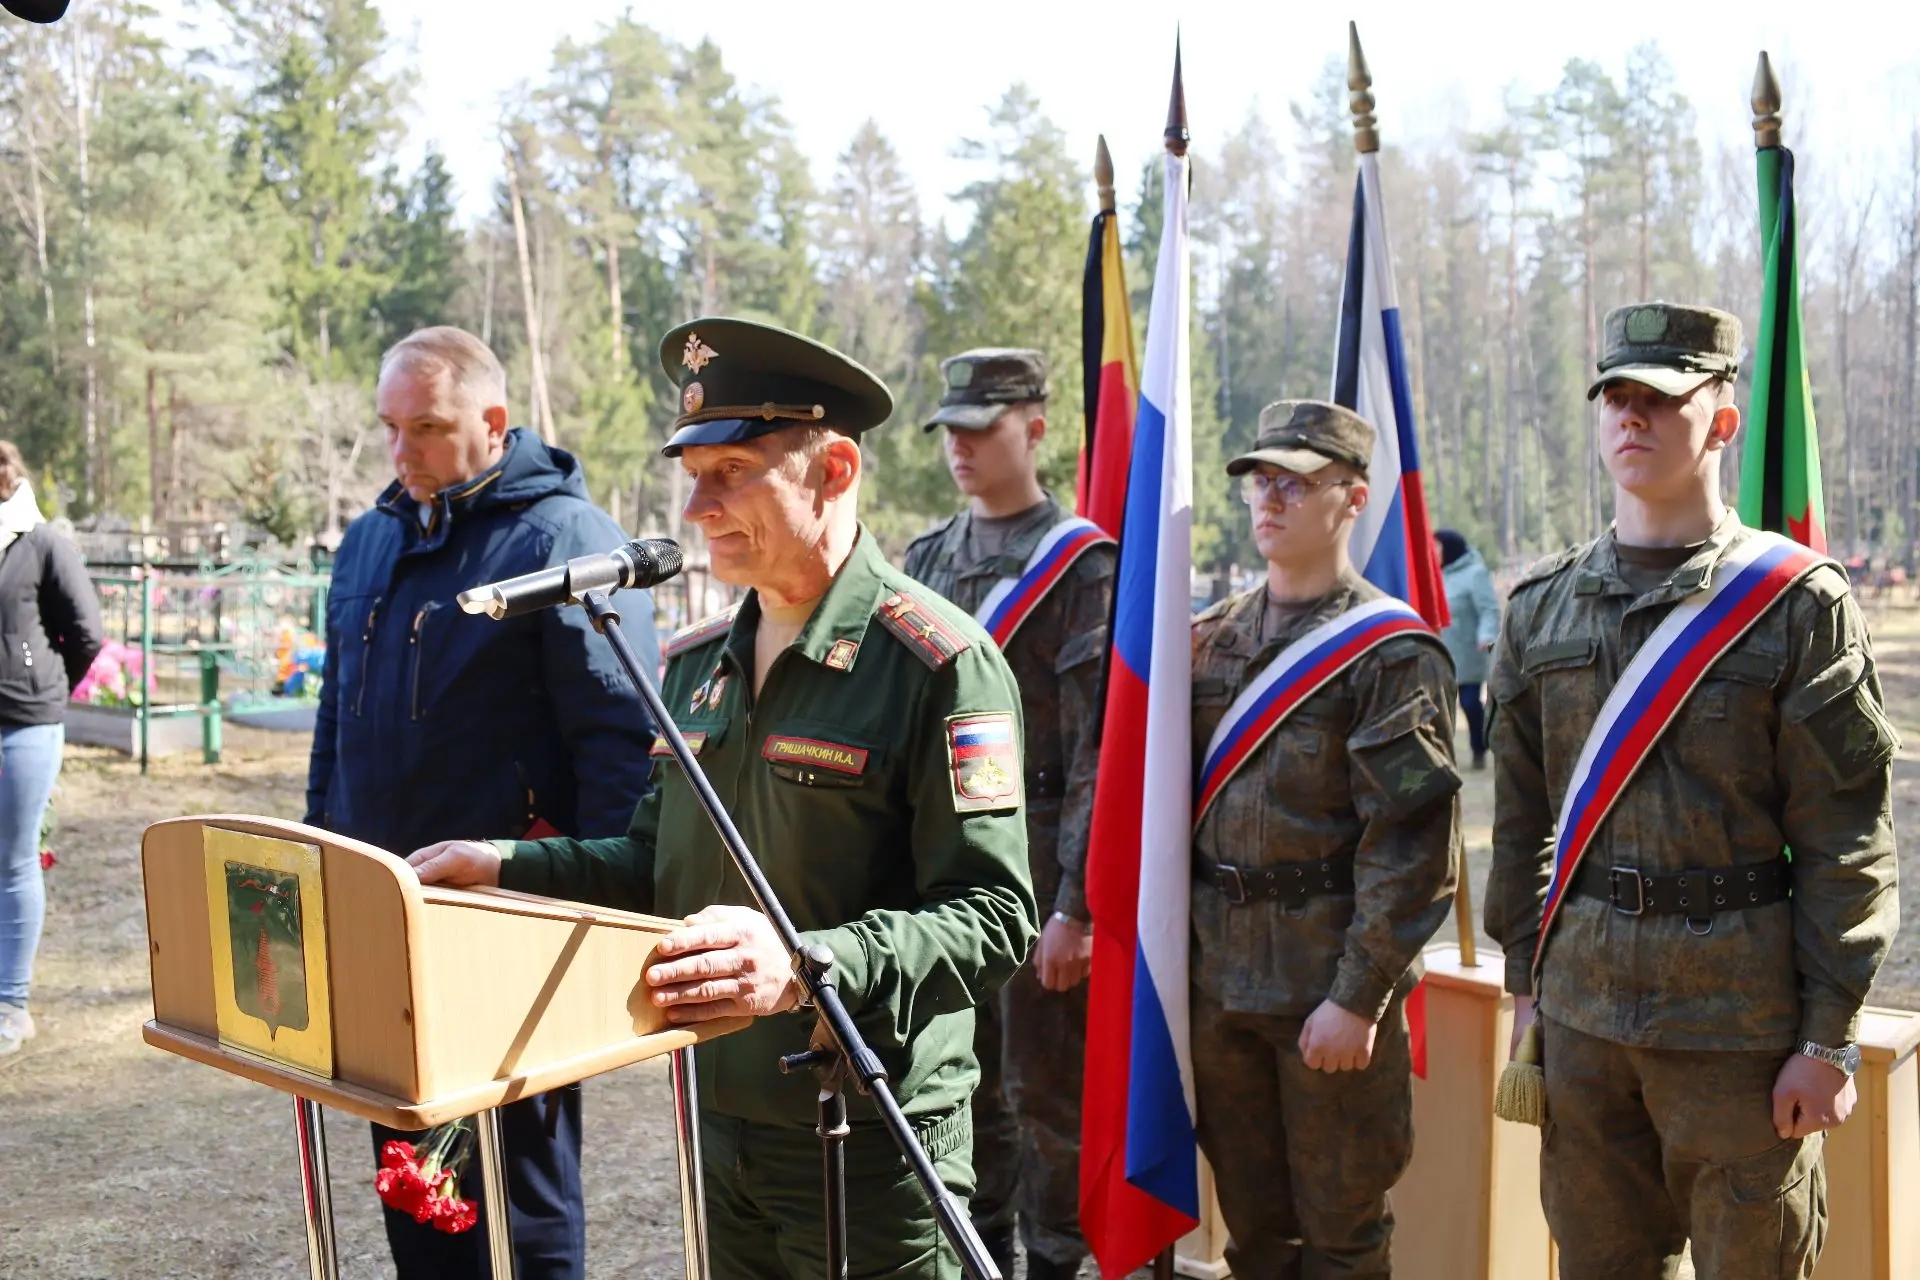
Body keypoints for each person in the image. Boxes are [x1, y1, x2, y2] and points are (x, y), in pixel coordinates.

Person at [408, 317, 1038, 1279]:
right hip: (718, 1115)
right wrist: (503, 865)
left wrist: (807, 965)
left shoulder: (936, 662)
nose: (697, 509)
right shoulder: (698, 663)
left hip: (871, 1135)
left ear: (833, 471)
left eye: (731, 472)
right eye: (693, 475)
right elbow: (657, 864)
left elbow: (994, 917)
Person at [1485, 302, 1900, 1279]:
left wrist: (1827, 1039)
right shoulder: (1541, 608)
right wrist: (1526, 989)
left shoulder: (1795, 604)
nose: (1632, 415)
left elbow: (1846, 838)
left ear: (1723, 421)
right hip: (1584, 1020)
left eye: (1664, 397)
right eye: (1616, 396)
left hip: (1739, 1031)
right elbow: (1520, 822)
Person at [305, 326, 660, 1279]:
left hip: (506, 911)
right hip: (384, 905)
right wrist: (316, 856)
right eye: (390, 427)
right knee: (412, 1164)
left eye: (426, 426)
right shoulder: (370, 541)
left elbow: (618, 740)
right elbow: (337, 721)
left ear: (493, 422)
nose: (401, 450)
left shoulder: (563, 541)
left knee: (516, 1190)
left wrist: (598, 906)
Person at [1189, 401, 1461, 1279]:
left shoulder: (1390, 653)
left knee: (1344, 1240)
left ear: (1353, 498)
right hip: (1217, 987)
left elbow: (1413, 849)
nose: (1271, 500)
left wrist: (1359, 996)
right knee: (1256, 1238)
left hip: (1325, 990)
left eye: (1298, 484)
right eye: (1261, 482)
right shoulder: (1207, 641)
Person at [904, 348, 1113, 1280]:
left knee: (1047, 1105)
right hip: (938, 869)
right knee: (956, 1095)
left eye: (980, 429)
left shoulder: (1081, 566)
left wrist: (1076, 905)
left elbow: (1098, 749)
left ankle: (1056, 1266)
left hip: (1036, 865)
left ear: (1034, 429)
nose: (960, 447)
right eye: (949, 430)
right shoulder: (926, 558)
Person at [0, 443, 103, 1057]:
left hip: (23, 726)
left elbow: (86, 631)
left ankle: (11, 1004)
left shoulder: (40, 544)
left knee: (13, 860)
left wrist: (42, 686)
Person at [1433, 528, 1500, 769]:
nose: (1433, 551)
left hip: (1468, 652)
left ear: (1449, 549)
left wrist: (1487, 635)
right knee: (1438, 708)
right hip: (1440, 652)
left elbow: (1489, 609)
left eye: (1437, 547)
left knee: (1470, 702)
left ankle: (1479, 749)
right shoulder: (1434, 575)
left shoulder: (1475, 573)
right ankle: (1439, 757)